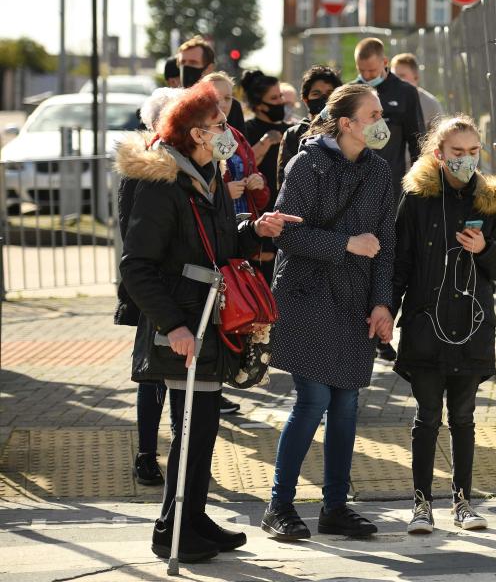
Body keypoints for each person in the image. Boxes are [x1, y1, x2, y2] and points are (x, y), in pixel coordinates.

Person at [117, 81, 299, 562]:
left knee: (200, 427)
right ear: (196, 132)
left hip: (207, 318)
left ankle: (190, 518)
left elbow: (218, 244)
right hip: (184, 324)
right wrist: (173, 326)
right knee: (193, 429)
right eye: (220, 123)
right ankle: (171, 529)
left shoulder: (207, 173)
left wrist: (253, 229)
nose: (229, 131)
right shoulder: (163, 181)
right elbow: (136, 265)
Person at [260, 83, 395, 541]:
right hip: (305, 294)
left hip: (356, 299)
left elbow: (386, 243)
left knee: (346, 403)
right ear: (346, 123)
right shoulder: (306, 164)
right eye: (373, 114)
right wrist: (344, 244)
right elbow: (285, 234)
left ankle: (335, 506)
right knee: (314, 400)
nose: (381, 122)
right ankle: (279, 505)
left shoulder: (380, 171)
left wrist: (383, 303)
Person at [391, 115, 496, 534]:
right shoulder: (416, 198)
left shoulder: (493, 201)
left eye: (473, 152)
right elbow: (400, 263)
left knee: (463, 417)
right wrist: (385, 311)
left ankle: (463, 501)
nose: (465, 159)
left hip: (472, 325)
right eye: (457, 152)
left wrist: (484, 248)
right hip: (425, 324)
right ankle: (421, 505)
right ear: (438, 153)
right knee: (427, 417)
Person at [117, 87, 184, 487]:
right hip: (155, 289)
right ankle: (146, 453)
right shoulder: (145, 165)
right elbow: (133, 233)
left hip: (183, 287)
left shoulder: (186, 164)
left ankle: (181, 450)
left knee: (179, 374)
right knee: (152, 374)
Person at [354, 37, 424, 362]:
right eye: (361, 71)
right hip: (354, 192)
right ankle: (359, 326)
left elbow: (417, 143)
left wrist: (418, 186)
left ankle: (384, 331)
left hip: (392, 191)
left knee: (388, 258)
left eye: (372, 70)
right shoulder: (352, 94)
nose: (367, 76)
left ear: (384, 63)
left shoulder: (405, 93)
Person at [241, 69, 292, 282]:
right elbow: (243, 164)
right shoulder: (247, 130)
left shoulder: (291, 130)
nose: (280, 102)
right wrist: (266, 142)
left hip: (286, 212)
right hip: (260, 212)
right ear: (259, 104)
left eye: (281, 96)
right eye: (273, 98)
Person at [201, 72, 270, 220]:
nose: (224, 104)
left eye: (227, 98)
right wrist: (224, 194)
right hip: (213, 228)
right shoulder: (195, 136)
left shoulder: (236, 136)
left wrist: (258, 182)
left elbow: (261, 199)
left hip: (243, 229)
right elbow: (190, 192)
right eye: (216, 97)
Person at [279, 65, 342, 188]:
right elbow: (284, 182)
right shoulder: (294, 135)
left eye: (330, 93)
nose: (324, 99)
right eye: (316, 94)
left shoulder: (346, 130)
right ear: (305, 99)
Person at [176, 35, 246, 132]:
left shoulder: (229, 104)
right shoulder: (171, 102)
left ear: (209, 68)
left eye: (193, 63)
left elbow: (241, 145)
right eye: (182, 63)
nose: (186, 68)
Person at [390, 53, 443, 127]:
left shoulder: (431, 105)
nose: (396, 80)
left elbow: (439, 137)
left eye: (402, 76)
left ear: (416, 77)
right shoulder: (384, 104)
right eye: (394, 76)